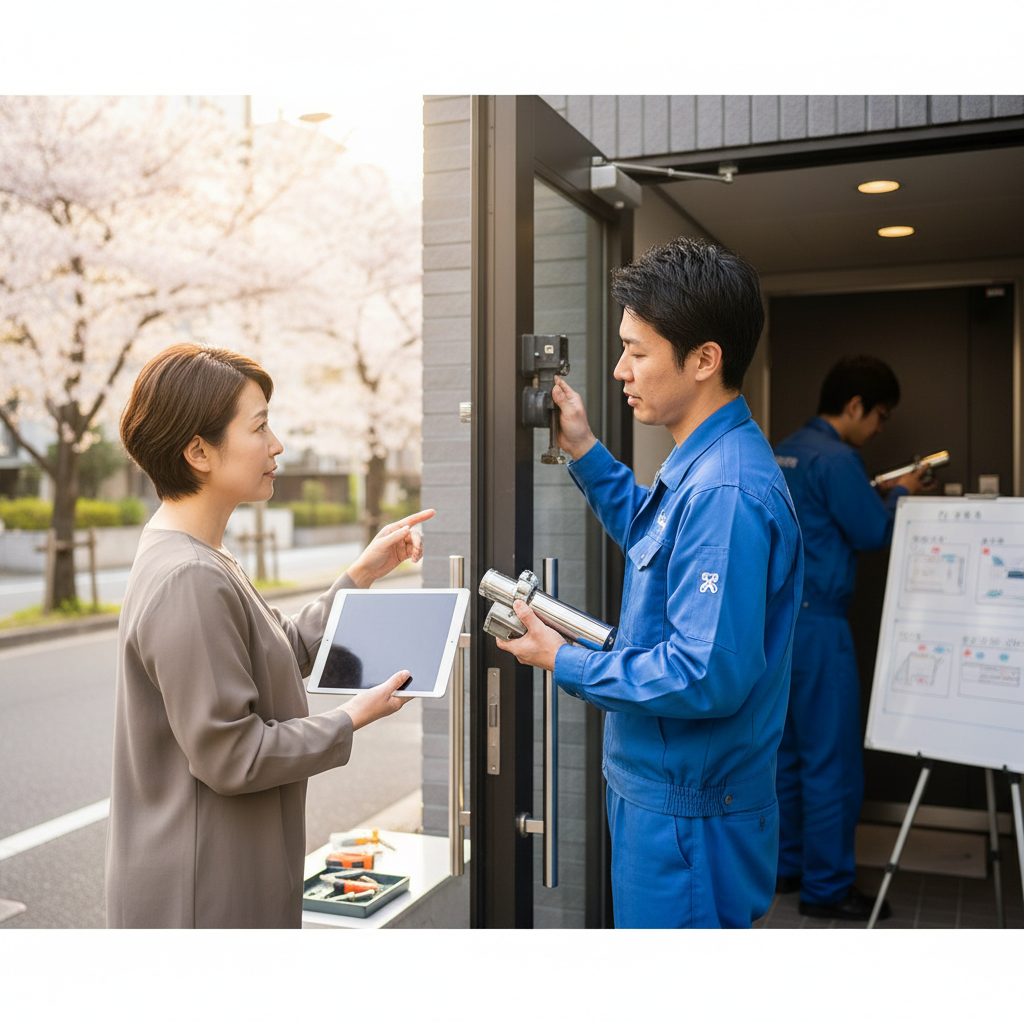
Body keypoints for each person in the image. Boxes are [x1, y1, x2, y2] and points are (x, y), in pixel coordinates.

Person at [497, 238, 803, 928]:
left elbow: (704, 675)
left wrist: (561, 658)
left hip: (690, 817)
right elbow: (651, 531)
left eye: (637, 351)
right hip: (668, 796)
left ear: (703, 359)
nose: (619, 369)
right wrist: (581, 446)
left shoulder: (726, 488)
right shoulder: (703, 462)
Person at [107, 343, 432, 928]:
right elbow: (231, 756)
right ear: (199, 452)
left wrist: (361, 573)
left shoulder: (197, 555)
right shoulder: (189, 576)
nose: (277, 445)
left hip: (217, 871)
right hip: (204, 893)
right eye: (260, 428)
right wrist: (350, 717)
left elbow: (275, 649)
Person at [772, 355, 932, 921]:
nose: (879, 429)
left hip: (778, 627)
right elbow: (871, 530)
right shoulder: (839, 460)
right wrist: (904, 492)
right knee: (830, 763)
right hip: (821, 630)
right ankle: (828, 888)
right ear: (856, 406)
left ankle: (787, 868)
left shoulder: (781, 449)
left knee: (785, 756)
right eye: (880, 416)